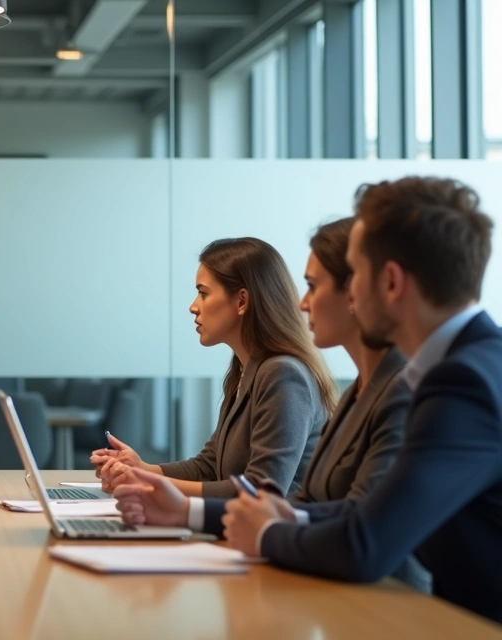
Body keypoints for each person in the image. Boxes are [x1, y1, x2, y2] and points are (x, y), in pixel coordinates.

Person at [120, 177, 502, 623]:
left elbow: (365, 543)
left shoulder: (463, 382)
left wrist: (265, 534)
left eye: (355, 273)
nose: (346, 292)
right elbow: (343, 512)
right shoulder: (452, 369)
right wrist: (189, 511)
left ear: (391, 282)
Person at [114, 217, 428, 590]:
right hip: (320, 571)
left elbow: (270, 492)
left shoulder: (288, 374)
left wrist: (176, 500)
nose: (303, 303)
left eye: (203, 293)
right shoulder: (261, 374)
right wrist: (158, 482)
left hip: (375, 592)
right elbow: (291, 497)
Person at [93, 238, 337, 498]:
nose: (193, 307)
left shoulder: (283, 375)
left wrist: (147, 483)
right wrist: (143, 470)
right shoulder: (245, 370)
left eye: (203, 293)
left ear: (242, 301)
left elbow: (260, 490)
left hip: (277, 524)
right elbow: (209, 466)